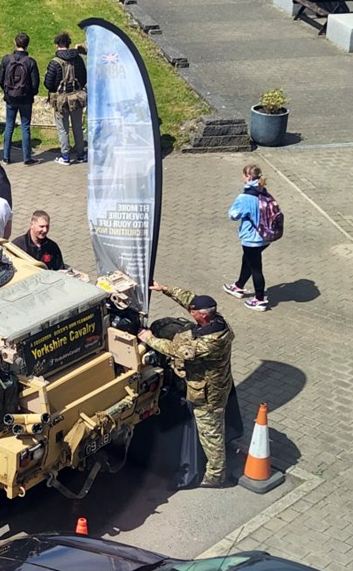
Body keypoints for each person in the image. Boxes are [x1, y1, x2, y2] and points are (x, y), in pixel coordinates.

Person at [137, 283, 235, 488]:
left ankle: (216, 475)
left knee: (211, 433)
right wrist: (165, 289)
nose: (190, 312)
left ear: (203, 316)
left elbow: (174, 350)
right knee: (212, 429)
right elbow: (191, 299)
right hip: (217, 383)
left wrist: (149, 339)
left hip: (209, 395)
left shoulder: (209, 343)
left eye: (194, 312)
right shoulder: (217, 320)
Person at [223, 164, 272, 311]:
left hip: (252, 238)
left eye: (243, 175)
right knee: (248, 260)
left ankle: (259, 300)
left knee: (256, 268)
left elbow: (233, 215)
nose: (242, 177)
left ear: (248, 177)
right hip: (266, 237)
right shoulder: (264, 192)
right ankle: (238, 286)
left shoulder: (244, 197)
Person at [44, 32, 87, 165]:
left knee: (63, 128)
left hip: (61, 100)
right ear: (68, 44)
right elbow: (84, 78)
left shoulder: (54, 62)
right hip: (76, 98)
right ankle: (80, 155)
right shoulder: (78, 59)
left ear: (57, 44)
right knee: (77, 127)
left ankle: (65, 156)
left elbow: (48, 83)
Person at [0, 32, 41, 165]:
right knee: (25, 127)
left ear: (15, 42)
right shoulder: (30, 62)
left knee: (9, 125)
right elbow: (35, 84)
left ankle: (6, 157)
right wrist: (30, 94)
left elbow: (0, 78)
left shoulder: (7, 59)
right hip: (26, 99)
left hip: (10, 98)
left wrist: (7, 90)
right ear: (27, 44)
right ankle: (27, 158)